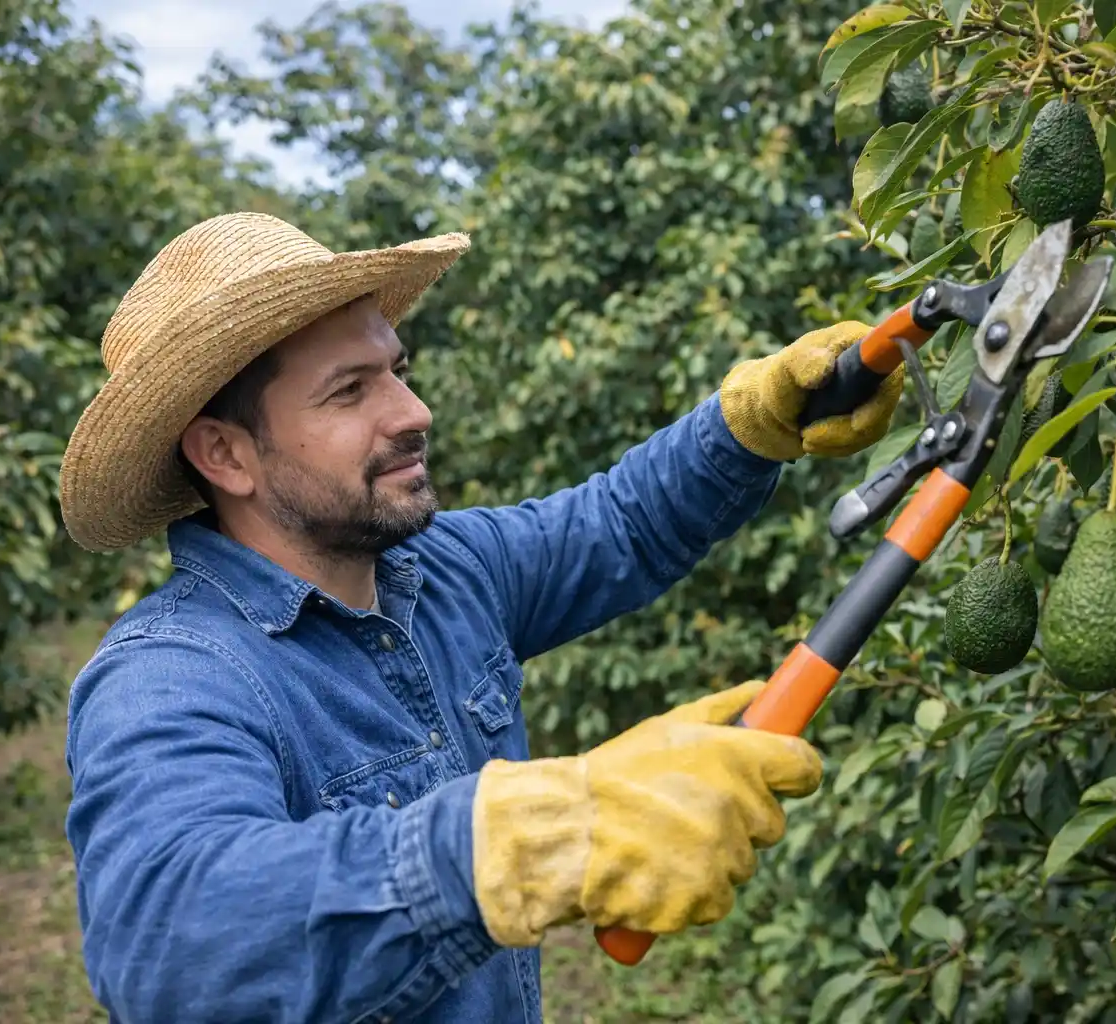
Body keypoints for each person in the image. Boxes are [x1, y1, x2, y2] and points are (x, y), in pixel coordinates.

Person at [58, 212, 904, 1023]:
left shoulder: (445, 570)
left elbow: (620, 524)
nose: (412, 412)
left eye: (396, 370)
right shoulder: (171, 674)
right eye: (349, 391)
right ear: (225, 454)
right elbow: (169, 945)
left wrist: (751, 424)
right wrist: (526, 842)